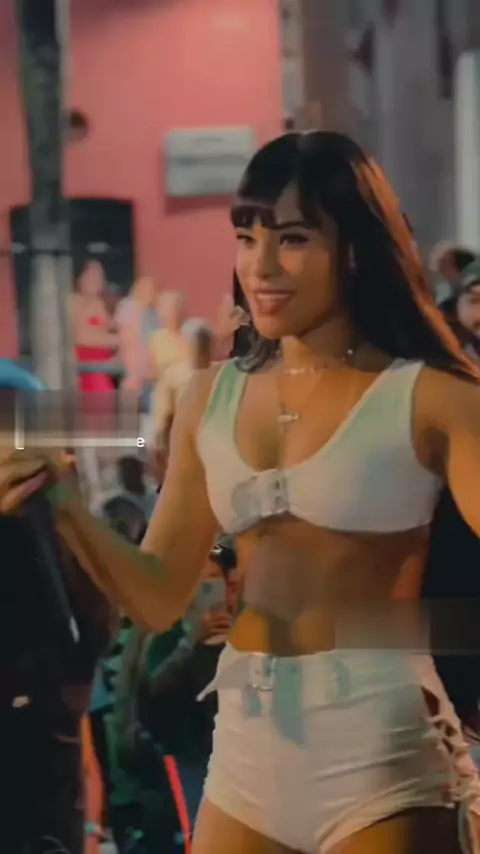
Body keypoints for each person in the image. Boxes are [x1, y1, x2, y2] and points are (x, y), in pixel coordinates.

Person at [6, 130, 480, 853]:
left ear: (354, 250)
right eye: (246, 237)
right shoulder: (209, 398)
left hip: (382, 751)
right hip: (245, 752)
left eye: (293, 239)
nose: (261, 266)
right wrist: (65, 503)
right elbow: (158, 595)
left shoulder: (431, 397)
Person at [153, 320, 213, 452]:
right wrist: (160, 442)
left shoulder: (221, 374)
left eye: (204, 345)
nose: (200, 350)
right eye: (197, 344)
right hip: (182, 436)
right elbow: (164, 414)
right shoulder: (174, 376)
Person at [69, 260, 119, 392]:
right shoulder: (74, 303)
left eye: (99, 277)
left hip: (104, 368)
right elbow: (79, 337)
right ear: (80, 279)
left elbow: (116, 330)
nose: (96, 282)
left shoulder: (101, 305)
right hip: (85, 367)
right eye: (92, 276)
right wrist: (112, 340)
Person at [116, 275, 161, 408]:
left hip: (151, 373)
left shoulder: (154, 313)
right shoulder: (131, 308)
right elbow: (128, 342)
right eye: (151, 289)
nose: (155, 294)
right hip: (135, 373)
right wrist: (134, 372)